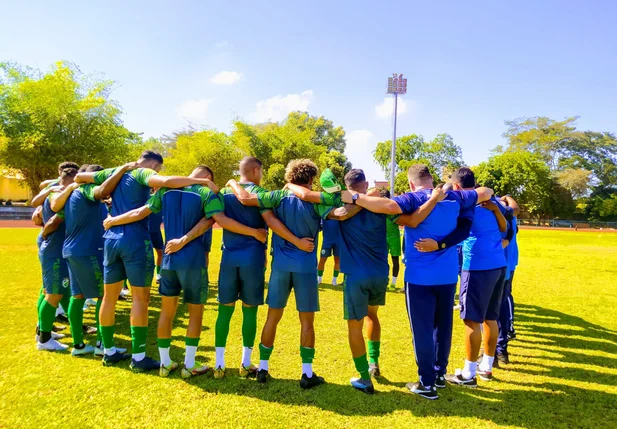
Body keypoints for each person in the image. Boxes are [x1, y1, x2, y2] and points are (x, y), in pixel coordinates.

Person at [342, 164, 493, 400]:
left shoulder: (412, 198)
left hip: (420, 278)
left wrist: (355, 197)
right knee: (442, 326)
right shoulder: (454, 196)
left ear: (412, 183)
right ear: (431, 180)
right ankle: (439, 375)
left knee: (421, 330)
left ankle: (426, 383)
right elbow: (486, 192)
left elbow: (389, 206)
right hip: (447, 276)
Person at [103, 165, 267, 377]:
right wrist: (186, 239)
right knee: (195, 313)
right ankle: (189, 364)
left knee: (167, 312)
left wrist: (113, 220)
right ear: (207, 177)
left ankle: (165, 363)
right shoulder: (206, 192)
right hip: (193, 259)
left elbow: (140, 212)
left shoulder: (164, 191)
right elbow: (214, 220)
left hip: (169, 260)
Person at [74, 151, 219, 371]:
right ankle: (139, 357)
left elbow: (78, 178)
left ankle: (108, 351)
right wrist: (201, 181)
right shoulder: (143, 172)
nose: (157, 173)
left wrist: (113, 219)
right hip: (135, 241)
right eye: (158, 169)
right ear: (153, 164)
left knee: (109, 298)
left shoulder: (114, 171)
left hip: (111, 239)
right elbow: (167, 183)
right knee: (140, 299)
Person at [228, 159, 351, 389]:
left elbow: (246, 200)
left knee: (272, 317)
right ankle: (307, 373)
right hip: (305, 266)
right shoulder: (317, 201)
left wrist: (233, 182)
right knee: (307, 321)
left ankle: (263, 368)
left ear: (290, 176)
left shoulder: (277, 196)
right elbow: (341, 212)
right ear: (311, 179)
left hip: (281, 266)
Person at [49, 164, 133, 356]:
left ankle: (79, 345)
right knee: (105, 296)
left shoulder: (71, 195)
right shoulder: (86, 189)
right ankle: (102, 345)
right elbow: (101, 191)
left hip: (72, 250)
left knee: (77, 297)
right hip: (88, 251)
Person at [445, 167, 513, 387]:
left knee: (471, 320)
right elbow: (505, 229)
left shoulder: (464, 205)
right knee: (490, 319)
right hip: (498, 265)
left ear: (457, 186)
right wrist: (495, 210)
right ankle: (487, 367)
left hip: (476, 266)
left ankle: (468, 373)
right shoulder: (492, 203)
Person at [36, 167, 78, 351]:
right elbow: (53, 221)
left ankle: (42, 330)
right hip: (54, 249)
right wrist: (45, 233)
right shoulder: (60, 194)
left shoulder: (53, 189)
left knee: (49, 291)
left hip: (54, 248)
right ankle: (44, 340)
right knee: (53, 293)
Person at [496, 195, 521, 364]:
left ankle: (496, 352)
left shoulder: (497, 214)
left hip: (496, 268)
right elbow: (515, 209)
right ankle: (501, 350)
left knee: (493, 312)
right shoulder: (509, 216)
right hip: (506, 267)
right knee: (502, 307)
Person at [380, 189, 402, 290]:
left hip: (393, 237)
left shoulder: (393, 208)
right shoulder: (378, 209)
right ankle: (386, 281)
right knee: (384, 260)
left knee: (394, 261)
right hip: (385, 237)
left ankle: (392, 283)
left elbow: (400, 220)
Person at [317, 219, 341, 285]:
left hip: (338, 241)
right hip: (327, 241)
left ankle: (334, 280)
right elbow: (319, 225)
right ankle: (319, 279)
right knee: (322, 259)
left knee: (337, 260)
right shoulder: (325, 213)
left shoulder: (340, 213)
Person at [148, 205, 164, 284]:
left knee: (161, 253)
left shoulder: (164, 202)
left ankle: (158, 276)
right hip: (146, 232)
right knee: (147, 257)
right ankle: (125, 285)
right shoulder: (149, 200)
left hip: (157, 232)